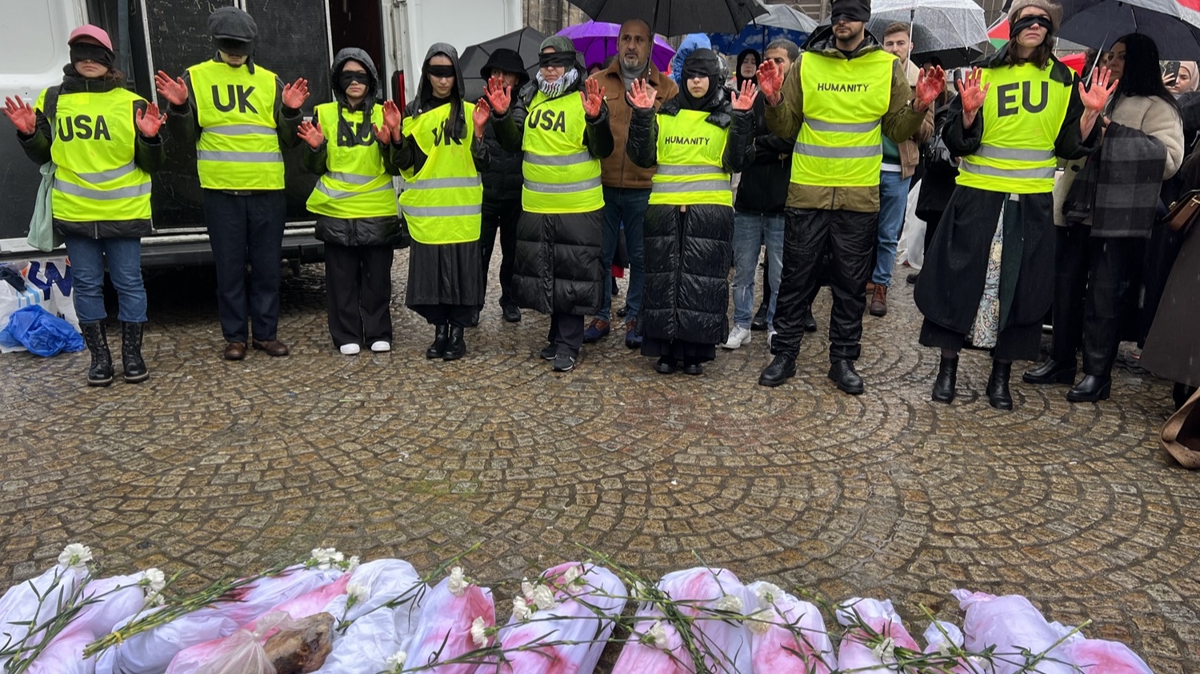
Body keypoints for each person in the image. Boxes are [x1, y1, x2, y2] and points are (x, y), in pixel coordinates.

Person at [914, 0, 1115, 409]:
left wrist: (1091, 115)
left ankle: (1000, 376)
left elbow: (1069, 145)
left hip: (1030, 204)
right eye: (1027, 20)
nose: (1035, 27)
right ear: (1012, 26)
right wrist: (968, 115)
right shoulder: (983, 72)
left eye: (1043, 22)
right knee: (958, 281)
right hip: (978, 196)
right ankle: (947, 370)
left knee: (1021, 289)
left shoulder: (1064, 79)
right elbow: (956, 139)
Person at [754, 0, 943, 393]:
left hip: (858, 198)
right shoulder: (806, 63)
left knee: (851, 285)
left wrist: (919, 104)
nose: (842, 21)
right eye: (837, 13)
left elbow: (894, 128)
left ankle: (842, 359)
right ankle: (785, 353)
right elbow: (787, 126)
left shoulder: (885, 67)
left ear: (864, 19)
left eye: (851, 14)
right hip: (807, 192)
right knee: (795, 280)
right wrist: (773, 101)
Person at [4, 25, 164, 386]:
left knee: (129, 284)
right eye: (81, 52)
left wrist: (151, 140)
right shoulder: (53, 99)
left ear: (111, 59)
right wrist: (29, 133)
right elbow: (45, 155)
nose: (89, 60)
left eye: (97, 53)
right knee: (88, 287)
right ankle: (100, 360)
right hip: (76, 214)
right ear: (71, 57)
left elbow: (153, 164)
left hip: (124, 213)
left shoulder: (133, 102)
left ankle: (132, 355)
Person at [1027, 34, 1183, 402]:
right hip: (1078, 207)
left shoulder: (1160, 107)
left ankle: (1098, 373)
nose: (1111, 63)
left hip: (1120, 216)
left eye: (1120, 58)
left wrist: (1115, 132)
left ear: (1140, 61)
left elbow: (1170, 159)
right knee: (1064, 287)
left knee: (1104, 296)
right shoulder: (1103, 93)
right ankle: (1062, 359)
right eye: (1110, 56)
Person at [156, 6, 308, 361]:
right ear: (216, 42)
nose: (237, 52)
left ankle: (266, 335)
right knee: (229, 269)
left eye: (242, 46)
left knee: (269, 267)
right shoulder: (194, 77)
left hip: (267, 190)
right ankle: (236, 336)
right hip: (222, 191)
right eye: (230, 45)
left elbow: (288, 140)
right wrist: (179, 109)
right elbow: (184, 137)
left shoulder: (271, 81)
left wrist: (289, 112)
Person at [486, 36, 614, 372]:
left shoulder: (586, 98)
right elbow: (515, 144)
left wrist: (597, 119)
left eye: (558, 62)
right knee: (549, 272)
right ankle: (557, 335)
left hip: (578, 207)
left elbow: (603, 149)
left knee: (572, 274)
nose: (551, 68)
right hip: (538, 206)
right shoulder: (529, 99)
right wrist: (501, 117)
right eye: (545, 63)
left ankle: (569, 344)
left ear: (572, 64)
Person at [626, 50, 757, 375]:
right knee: (664, 284)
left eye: (703, 74)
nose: (696, 80)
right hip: (665, 213)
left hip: (708, 216)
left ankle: (695, 353)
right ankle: (666, 351)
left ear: (714, 79)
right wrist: (642, 115)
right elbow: (641, 157)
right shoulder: (665, 114)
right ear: (683, 77)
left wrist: (743, 119)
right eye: (691, 74)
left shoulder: (728, 117)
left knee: (701, 286)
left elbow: (738, 161)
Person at [297, 49, 403, 356]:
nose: (354, 82)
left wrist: (391, 141)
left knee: (377, 281)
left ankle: (379, 331)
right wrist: (315, 149)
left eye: (361, 75)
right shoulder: (324, 113)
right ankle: (346, 334)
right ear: (337, 80)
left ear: (371, 79)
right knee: (341, 281)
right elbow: (312, 166)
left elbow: (399, 165)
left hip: (376, 211)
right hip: (337, 212)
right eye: (347, 76)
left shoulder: (387, 112)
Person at [585, 19, 678, 348]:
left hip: (645, 186)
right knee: (601, 253)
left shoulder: (666, 89)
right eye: (626, 38)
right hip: (603, 183)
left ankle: (635, 315)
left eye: (639, 39)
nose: (631, 45)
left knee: (641, 256)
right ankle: (600, 314)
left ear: (649, 45)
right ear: (618, 42)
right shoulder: (597, 82)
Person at [395, 45, 489, 361]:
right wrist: (395, 137)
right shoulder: (411, 112)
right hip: (428, 211)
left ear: (457, 75)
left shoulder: (470, 110)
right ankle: (439, 333)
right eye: (436, 72)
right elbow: (405, 163)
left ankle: (458, 335)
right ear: (427, 74)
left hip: (461, 209)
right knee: (432, 279)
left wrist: (478, 134)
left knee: (462, 277)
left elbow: (484, 162)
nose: (442, 79)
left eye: (448, 72)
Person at [724, 39, 799, 351]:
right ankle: (741, 324)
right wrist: (768, 146)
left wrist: (763, 146)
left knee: (779, 273)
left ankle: (773, 324)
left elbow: (790, 139)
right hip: (750, 198)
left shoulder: (798, 98)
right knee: (743, 269)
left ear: (793, 64)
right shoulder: (749, 95)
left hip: (783, 198)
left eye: (779, 60)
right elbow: (742, 144)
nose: (771, 66)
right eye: (768, 60)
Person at [870, 22, 934, 317]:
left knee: (888, 232)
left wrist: (917, 109)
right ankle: (861, 280)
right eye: (889, 43)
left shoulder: (920, 81)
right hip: (866, 164)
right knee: (861, 230)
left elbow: (927, 133)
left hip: (898, 167)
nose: (894, 48)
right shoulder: (871, 74)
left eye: (900, 43)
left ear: (910, 47)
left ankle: (881, 284)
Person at [477, 48, 528, 325]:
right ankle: (475, 302)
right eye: (495, 72)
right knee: (481, 252)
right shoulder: (478, 105)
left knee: (513, 253)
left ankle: (510, 299)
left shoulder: (525, 108)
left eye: (506, 73)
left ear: (517, 80)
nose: (500, 77)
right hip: (486, 192)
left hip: (516, 193)